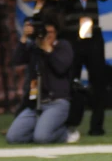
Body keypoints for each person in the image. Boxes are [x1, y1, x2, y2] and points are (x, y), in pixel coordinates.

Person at [51, 0, 110, 136]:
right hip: (72, 38)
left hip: (93, 38)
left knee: (98, 81)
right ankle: (71, 122)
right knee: (72, 81)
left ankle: (97, 125)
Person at [5, 8, 78, 144]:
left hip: (57, 102)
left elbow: (61, 67)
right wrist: (24, 38)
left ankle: (65, 133)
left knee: (42, 138)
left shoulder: (63, 46)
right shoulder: (35, 48)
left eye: (51, 32)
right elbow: (16, 60)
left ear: (57, 32)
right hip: (35, 103)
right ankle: (44, 129)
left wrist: (48, 49)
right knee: (13, 138)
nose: (47, 36)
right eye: (45, 32)